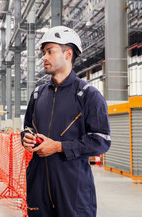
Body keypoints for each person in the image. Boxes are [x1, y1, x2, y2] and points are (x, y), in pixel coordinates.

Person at [21, 26, 111, 217]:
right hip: (38, 185)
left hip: (72, 188)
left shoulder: (88, 95)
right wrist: (26, 137)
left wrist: (59, 147)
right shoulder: (38, 95)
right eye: (43, 52)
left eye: (50, 51)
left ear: (68, 54)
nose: (44, 57)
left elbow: (101, 140)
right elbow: (28, 126)